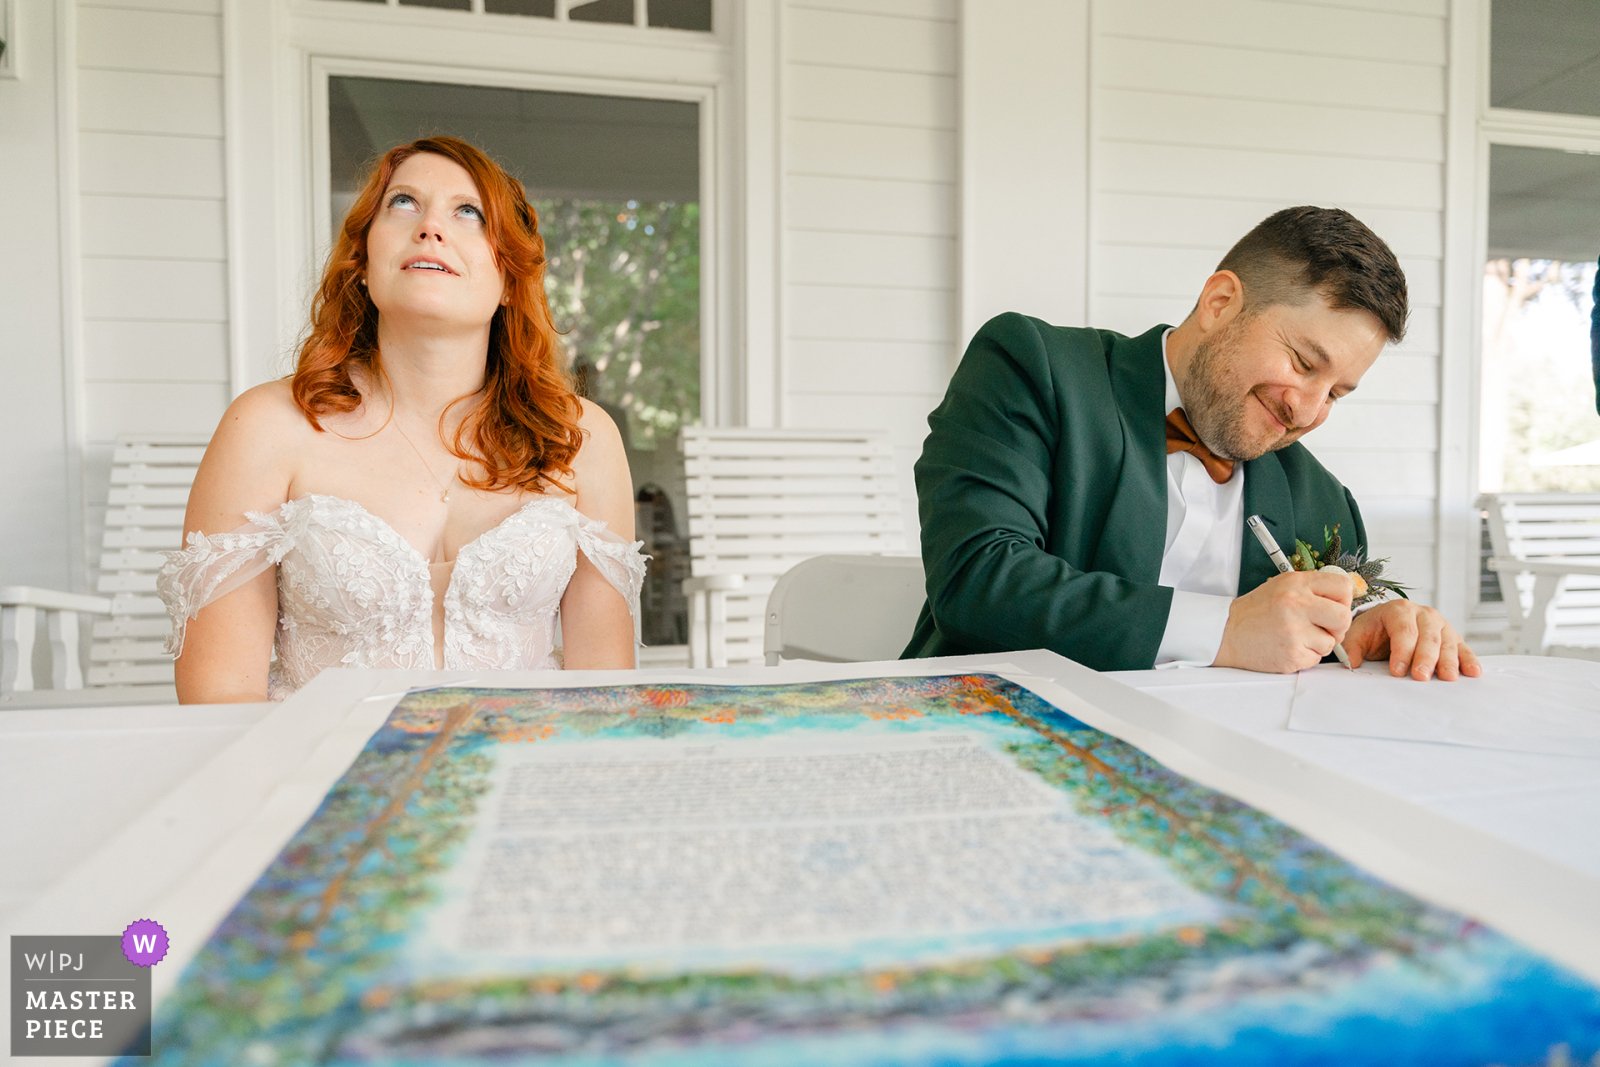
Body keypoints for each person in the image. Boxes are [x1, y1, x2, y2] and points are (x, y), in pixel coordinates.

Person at [158, 136, 644, 703]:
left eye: (468, 211)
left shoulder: (580, 438)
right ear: (362, 263)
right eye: (404, 203)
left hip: (520, 775)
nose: (430, 227)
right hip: (318, 779)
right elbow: (219, 699)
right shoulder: (267, 425)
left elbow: (604, 687)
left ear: (510, 277)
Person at [904, 206, 1479, 681]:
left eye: (1336, 394)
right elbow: (978, 581)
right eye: (1304, 363)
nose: (1306, 411)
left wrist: (1355, 635)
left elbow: (1305, 666)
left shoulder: (1325, 504)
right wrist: (1225, 628)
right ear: (1220, 303)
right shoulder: (1033, 366)